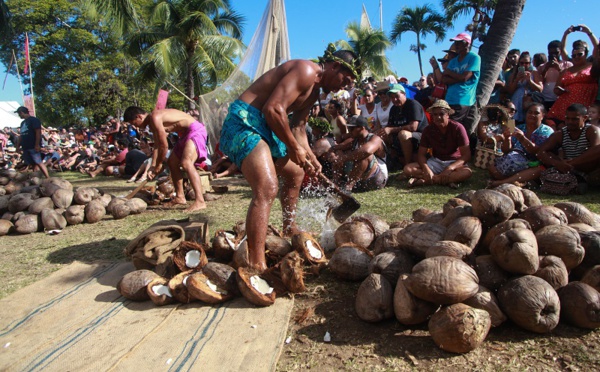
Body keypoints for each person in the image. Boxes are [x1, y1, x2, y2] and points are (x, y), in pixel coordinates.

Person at [219, 44, 360, 272]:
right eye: (345, 80)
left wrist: (311, 156)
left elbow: (299, 127)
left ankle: (289, 227)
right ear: (335, 66)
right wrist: (294, 148)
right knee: (267, 187)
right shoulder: (306, 70)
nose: (343, 87)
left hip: (266, 127)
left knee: (296, 172)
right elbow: (273, 109)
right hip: (244, 123)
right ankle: (256, 263)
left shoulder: (314, 91)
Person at [124, 106, 209, 212]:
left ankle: (200, 201)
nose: (135, 126)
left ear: (139, 116)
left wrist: (159, 165)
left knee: (186, 163)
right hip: (184, 135)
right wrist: (153, 166)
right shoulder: (152, 124)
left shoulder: (155, 117)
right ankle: (180, 197)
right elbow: (156, 146)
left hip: (195, 130)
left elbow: (164, 146)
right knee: (172, 162)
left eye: (134, 123)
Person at [403, 100, 472, 188]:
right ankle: (444, 180)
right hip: (436, 161)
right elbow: (421, 154)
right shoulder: (428, 130)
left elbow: (466, 155)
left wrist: (450, 168)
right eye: (435, 114)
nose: (438, 117)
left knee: (467, 172)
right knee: (408, 169)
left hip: (454, 162)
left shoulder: (458, 128)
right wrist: (426, 169)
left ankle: (429, 180)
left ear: (447, 115)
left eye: (441, 114)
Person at [487, 103, 554, 188]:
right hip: (513, 162)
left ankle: (501, 182)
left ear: (543, 116)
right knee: (491, 167)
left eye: (536, 113)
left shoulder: (547, 131)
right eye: (530, 112)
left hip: (532, 164)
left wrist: (522, 138)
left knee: (539, 170)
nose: (532, 115)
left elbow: (537, 152)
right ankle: (513, 181)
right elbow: (506, 150)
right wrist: (507, 138)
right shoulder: (520, 127)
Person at [547, 25, 599, 127]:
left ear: (586, 54)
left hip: (585, 104)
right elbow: (556, 90)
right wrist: (566, 34)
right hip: (564, 105)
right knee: (560, 128)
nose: (576, 57)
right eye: (574, 55)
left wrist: (589, 32)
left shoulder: (592, 65)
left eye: (580, 54)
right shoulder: (566, 70)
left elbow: (597, 49)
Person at [538, 103, 600, 183]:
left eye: (574, 119)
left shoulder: (592, 130)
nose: (570, 122)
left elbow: (595, 153)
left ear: (585, 118)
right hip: (568, 169)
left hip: (589, 168)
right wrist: (557, 164)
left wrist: (573, 162)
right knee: (548, 154)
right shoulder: (560, 133)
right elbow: (540, 152)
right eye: (567, 118)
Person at [326, 116, 387, 192]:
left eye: (352, 128)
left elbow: (366, 151)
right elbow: (334, 148)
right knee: (339, 152)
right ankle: (336, 183)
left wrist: (341, 158)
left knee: (363, 155)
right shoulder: (354, 140)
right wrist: (332, 154)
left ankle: (348, 187)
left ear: (362, 128)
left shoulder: (375, 139)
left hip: (377, 178)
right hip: (361, 180)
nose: (349, 131)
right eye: (349, 129)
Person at [378, 83, 428, 168]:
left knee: (403, 134)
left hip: (421, 137)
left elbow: (413, 127)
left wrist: (391, 130)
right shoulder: (394, 109)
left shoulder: (413, 104)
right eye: (392, 97)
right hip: (402, 139)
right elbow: (389, 127)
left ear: (404, 94)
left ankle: (407, 165)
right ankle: (387, 163)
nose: (395, 99)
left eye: (397, 96)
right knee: (382, 135)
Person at [441, 32, 481, 139]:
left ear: (467, 44)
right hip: (450, 99)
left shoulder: (474, 58)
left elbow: (465, 77)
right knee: (449, 129)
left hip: (463, 100)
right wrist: (457, 77)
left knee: (455, 130)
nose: (456, 45)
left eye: (459, 42)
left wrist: (450, 74)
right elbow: (444, 79)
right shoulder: (453, 61)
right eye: (455, 43)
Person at [506, 52, 543, 123]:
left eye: (527, 63)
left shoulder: (534, 73)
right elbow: (510, 90)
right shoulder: (514, 74)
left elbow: (540, 89)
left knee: (527, 122)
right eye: (522, 63)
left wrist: (529, 81)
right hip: (516, 100)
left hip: (528, 101)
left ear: (530, 63)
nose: (524, 65)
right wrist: (517, 79)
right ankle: (511, 133)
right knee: (512, 121)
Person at [536, 40, 573, 112]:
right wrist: (546, 69)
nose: (554, 55)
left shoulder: (568, 65)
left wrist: (559, 69)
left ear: (561, 52)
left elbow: (570, 79)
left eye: (556, 53)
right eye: (551, 53)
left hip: (561, 98)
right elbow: (539, 82)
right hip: (545, 99)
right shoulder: (542, 66)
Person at [14, 106, 50, 178]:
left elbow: (38, 132)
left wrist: (37, 144)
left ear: (22, 112)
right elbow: (21, 135)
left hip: (33, 145)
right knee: (32, 163)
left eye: (19, 114)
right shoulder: (23, 123)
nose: (19, 115)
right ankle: (35, 177)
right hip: (25, 146)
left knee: (38, 162)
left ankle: (48, 178)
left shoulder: (34, 120)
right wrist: (17, 146)